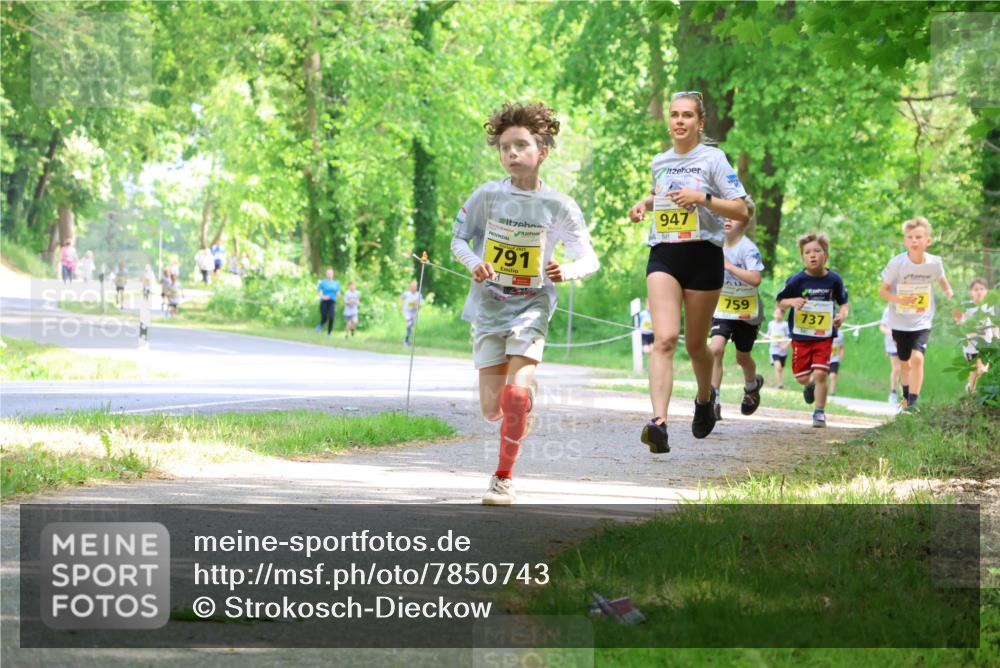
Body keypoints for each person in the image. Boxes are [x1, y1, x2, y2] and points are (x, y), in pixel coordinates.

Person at [450, 101, 599, 505]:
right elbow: (458, 239)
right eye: (504, 147)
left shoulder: (559, 206)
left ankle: (503, 478)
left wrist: (566, 271)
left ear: (543, 152)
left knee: (514, 397)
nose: (511, 154)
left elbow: (589, 257)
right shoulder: (487, 196)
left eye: (520, 146)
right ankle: (519, 406)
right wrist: (475, 263)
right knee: (491, 409)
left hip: (532, 305)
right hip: (488, 308)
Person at [627, 91, 750, 452]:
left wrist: (703, 199)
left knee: (697, 345)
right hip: (664, 253)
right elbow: (662, 195)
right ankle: (659, 423)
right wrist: (644, 204)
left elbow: (741, 210)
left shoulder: (713, 159)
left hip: (703, 256)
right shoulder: (660, 161)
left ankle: (703, 398)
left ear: (700, 122)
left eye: (687, 116)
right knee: (664, 338)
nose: (679, 121)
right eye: (674, 115)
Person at [878, 216, 953, 412]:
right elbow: (883, 291)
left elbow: (943, 283)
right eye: (910, 237)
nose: (914, 241)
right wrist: (900, 300)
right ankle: (906, 395)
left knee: (918, 358)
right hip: (899, 320)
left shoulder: (935, 263)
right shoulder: (897, 263)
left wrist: (951, 297)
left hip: (922, 319)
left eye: (919, 237)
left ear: (928, 240)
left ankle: (914, 401)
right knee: (905, 364)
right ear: (905, 241)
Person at [776, 232, 849, 428]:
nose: (812, 255)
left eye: (817, 251)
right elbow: (780, 302)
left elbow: (844, 303)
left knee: (820, 374)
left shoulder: (834, 280)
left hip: (823, 336)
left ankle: (819, 412)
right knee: (802, 378)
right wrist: (793, 301)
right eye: (807, 252)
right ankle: (809, 386)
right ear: (802, 257)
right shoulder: (796, 280)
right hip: (801, 336)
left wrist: (842, 316)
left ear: (826, 254)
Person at [709, 216, 765, 420]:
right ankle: (713, 401)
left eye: (734, 217)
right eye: (724, 216)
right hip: (723, 307)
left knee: (742, 357)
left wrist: (729, 267)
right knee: (715, 349)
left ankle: (752, 387)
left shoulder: (748, 248)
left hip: (746, 310)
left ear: (745, 224)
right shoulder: (714, 243)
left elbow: (756, 278)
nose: (727, 220)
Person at [954, 277, 996, 394]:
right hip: (971, 347)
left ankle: (978, 394)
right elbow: (959, 323)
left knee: (983, 371)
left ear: (987, 291)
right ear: (970, 292)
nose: (979, 292)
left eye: (982, 289)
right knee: (973, 373)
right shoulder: (966, 307)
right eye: (975, 289)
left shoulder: (990, 307)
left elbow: (994, 324)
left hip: (987, 345)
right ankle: (971, 394)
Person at [879, 306, 902, 404]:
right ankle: (893, 393)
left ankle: (906, 395)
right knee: (897, 368)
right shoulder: (888, 310)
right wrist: (891, 333)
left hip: (905, 342)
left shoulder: (908, 308)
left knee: (906, 369)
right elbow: (882, 327)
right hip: (892, 344)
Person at [765, 306, 790, 389]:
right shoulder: (771, 324)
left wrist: (785, 345)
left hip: (783, 350)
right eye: (776, 313)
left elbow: (789, 337)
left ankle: (779, 380)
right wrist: (766, 337)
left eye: (780, 314)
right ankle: (780, 384)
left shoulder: (785, 325)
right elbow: (768, 334)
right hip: (774, 349)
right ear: (773, 314)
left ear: (783, 315)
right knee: (778, 367)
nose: (778, 315)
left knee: (781, 368)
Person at [315, 268, 340, 336]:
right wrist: (323, 297)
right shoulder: (323, 282)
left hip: (332, 301)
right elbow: (318, 292)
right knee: (324, 317)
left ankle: (329, 333)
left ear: (333, 274)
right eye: (328, 273)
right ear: (326, 274)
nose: (329, 275)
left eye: (330, 273)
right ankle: (320, 325)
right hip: (324, 301)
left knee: (331, 316)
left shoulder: (336, 283)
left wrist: (338, 294)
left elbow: (338, 292)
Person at [401, 280, 423, 347]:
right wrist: (401, 306)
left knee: (411, 326)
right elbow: (401, 298)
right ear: (410, 287)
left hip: (414, 312)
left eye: (415, 287)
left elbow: (420, 304)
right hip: (407, 311)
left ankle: (407, 339)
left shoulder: (418, 294)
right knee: (409, 323)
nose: (414, 288)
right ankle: (405, 340)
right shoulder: (406, 294)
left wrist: (417, 306)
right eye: (412, 286)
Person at [829, 329, 845, 396]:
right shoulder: (826, 332)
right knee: (822, 376)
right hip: (824, 358)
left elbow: (841, 347)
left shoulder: (841, 335)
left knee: (833, 376)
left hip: (834, 359)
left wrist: (841, 356)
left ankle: (832, 392)